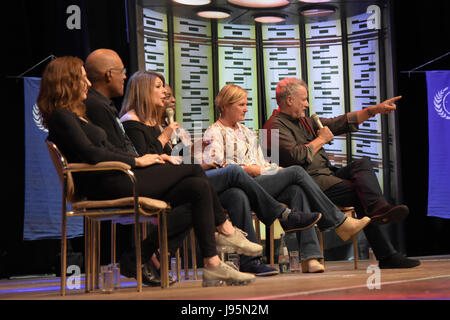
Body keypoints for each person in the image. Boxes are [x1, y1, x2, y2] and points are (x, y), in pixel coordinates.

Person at [37, 56, 262, 287]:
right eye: (82, 79)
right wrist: (138, 162)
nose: (87, 83)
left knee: (197, 187)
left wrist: (141, 159)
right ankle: (226, 229)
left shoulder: (77, 115)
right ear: (68, 82)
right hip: (107, 183)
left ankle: (210, 263)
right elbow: (91, 154)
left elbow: (108, 149)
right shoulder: (60, 116)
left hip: (117, 176)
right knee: (193, 169)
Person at [118, 71, 324, 275]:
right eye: (159, 87)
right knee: (281, 171)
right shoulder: (135, 122)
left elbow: (172, 159)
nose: (166, 93)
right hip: (164, 183)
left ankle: (260, 259)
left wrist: (196, 155)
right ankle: (290, 216)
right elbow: (147, 159)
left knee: (242, 194)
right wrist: (168, 138)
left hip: (215, 181)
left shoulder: (246, 132)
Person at [203, 84, 371, 273]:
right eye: (241, 104)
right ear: (225, 106)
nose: (246, 109)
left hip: (259, 182)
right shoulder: (214, 132)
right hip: (241, 185)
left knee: (296, 189)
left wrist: (276, 170)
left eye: (246, 104)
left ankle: (310, 257)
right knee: (297, 172)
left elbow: (262, 164)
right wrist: (250, 169)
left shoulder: (246, 132)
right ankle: (339, 222)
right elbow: (218, 167)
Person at [263, 77, 420, 269]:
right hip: (308, 183)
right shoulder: (271, 126)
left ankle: (379, 208)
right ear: (289, 100)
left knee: (362, 164)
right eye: (303, 99)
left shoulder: (304, 121)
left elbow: (340, 123)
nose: (307, 104)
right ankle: (386, 253)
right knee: (361, 193)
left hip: (327, 176)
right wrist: (321, 140)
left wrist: (374, 110)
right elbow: (295, 157)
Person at [84, 49, 192, 285]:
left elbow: (162, 157)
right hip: (124, 179)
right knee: (201, 182)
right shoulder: (123, 117)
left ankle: (146, 255)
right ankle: (221, 239)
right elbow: (128, 153)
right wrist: (160, 143)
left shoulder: (109, 108)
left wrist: (190, 149)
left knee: (202, 188)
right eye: (159, 87)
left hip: (135, 173)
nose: (166, 94)